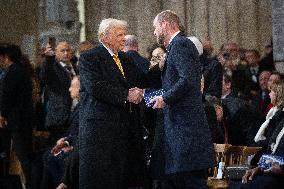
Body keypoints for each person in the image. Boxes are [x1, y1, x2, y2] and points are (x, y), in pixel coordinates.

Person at [79, 18, 146, 189]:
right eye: (120, 35)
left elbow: (142, 79)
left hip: (123, 131)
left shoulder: (125, 58)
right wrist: (126, 95)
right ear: (104, 37)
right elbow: (95, 86)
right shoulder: (90, 58)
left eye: (124, 34)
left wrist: (159, 67)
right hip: (101, 133)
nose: (124, 38)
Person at [151, 10, 214, 189]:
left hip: (186, 129)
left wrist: (165, 98)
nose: (154, 32)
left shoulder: (181, 44)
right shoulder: (174, 47)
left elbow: (188, 79)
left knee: (190, 181)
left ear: (165, 24)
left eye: (155, 27)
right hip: (180, 128)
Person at [0, 44, 34, 189]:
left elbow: (7, 97)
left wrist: (2, 115)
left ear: (6, 57)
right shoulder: (22, 71)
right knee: (23, 154)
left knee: (22, 155)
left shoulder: (12, 72)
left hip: (17, 121)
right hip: (23, 120)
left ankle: (30, 183)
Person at [40, 41, 78, 144]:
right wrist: (48, 58)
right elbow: (45, 76)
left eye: (68, 50)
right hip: (59, 117)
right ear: (56, 52)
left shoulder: (76, 67)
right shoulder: (52, 67)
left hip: (75, 115)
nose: (66, 53)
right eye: (62, 51)